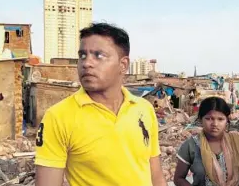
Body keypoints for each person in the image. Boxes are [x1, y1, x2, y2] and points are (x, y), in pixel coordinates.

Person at [35, 23, 167, 186]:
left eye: (98, 55)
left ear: (123, 65)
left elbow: (156, 176)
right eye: (82, 55)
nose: (87, 63)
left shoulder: (143, 109)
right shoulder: (58, 116)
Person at [174, 97, 239, 186]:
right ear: (200, 119)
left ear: (227, 121)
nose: (215, 124)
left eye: (220, 119)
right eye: (209, 118)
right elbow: (178, 178)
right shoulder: (191, 145)